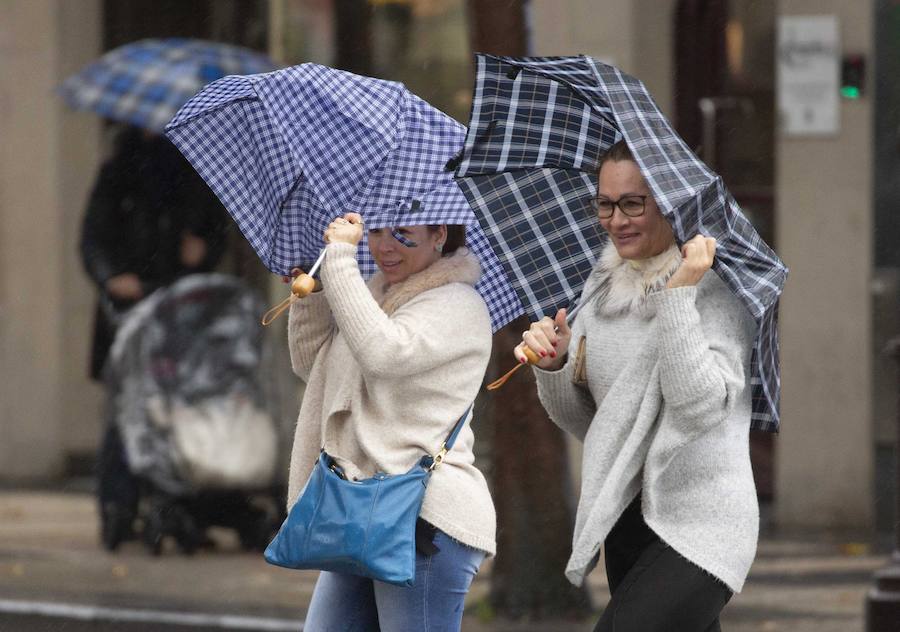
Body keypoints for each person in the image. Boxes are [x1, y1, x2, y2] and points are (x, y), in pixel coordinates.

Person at [515, 140, 758, 631]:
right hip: (629, 520)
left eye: (632, 203)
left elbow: (698, 409)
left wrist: (678, 295)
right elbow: (599, 424)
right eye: (605, 203)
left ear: (669, 202)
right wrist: (556, 365)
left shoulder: (715, 288)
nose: (616, 219)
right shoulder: (602, 287)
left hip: (702, 526)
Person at [286, 213, 495, 631]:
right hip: (363, 509)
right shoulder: (377, 297)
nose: (384, 246)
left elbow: (384, 355)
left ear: (439, 234)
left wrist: (341, 260)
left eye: (403, 233)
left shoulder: (457, 303)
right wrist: (313, 297)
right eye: (376, 231)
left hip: (425, 517)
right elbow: (318, 372)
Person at [79, 124, 227, 549]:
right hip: (126, 310)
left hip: (179, 304)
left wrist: (201, 249)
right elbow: (92, 239)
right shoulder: (118, 173)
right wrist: (113, 278)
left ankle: (179, 507)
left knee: (180, 412)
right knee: (124, 413)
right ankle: (118, 507)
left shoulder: (197, 172)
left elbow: (215, 232)